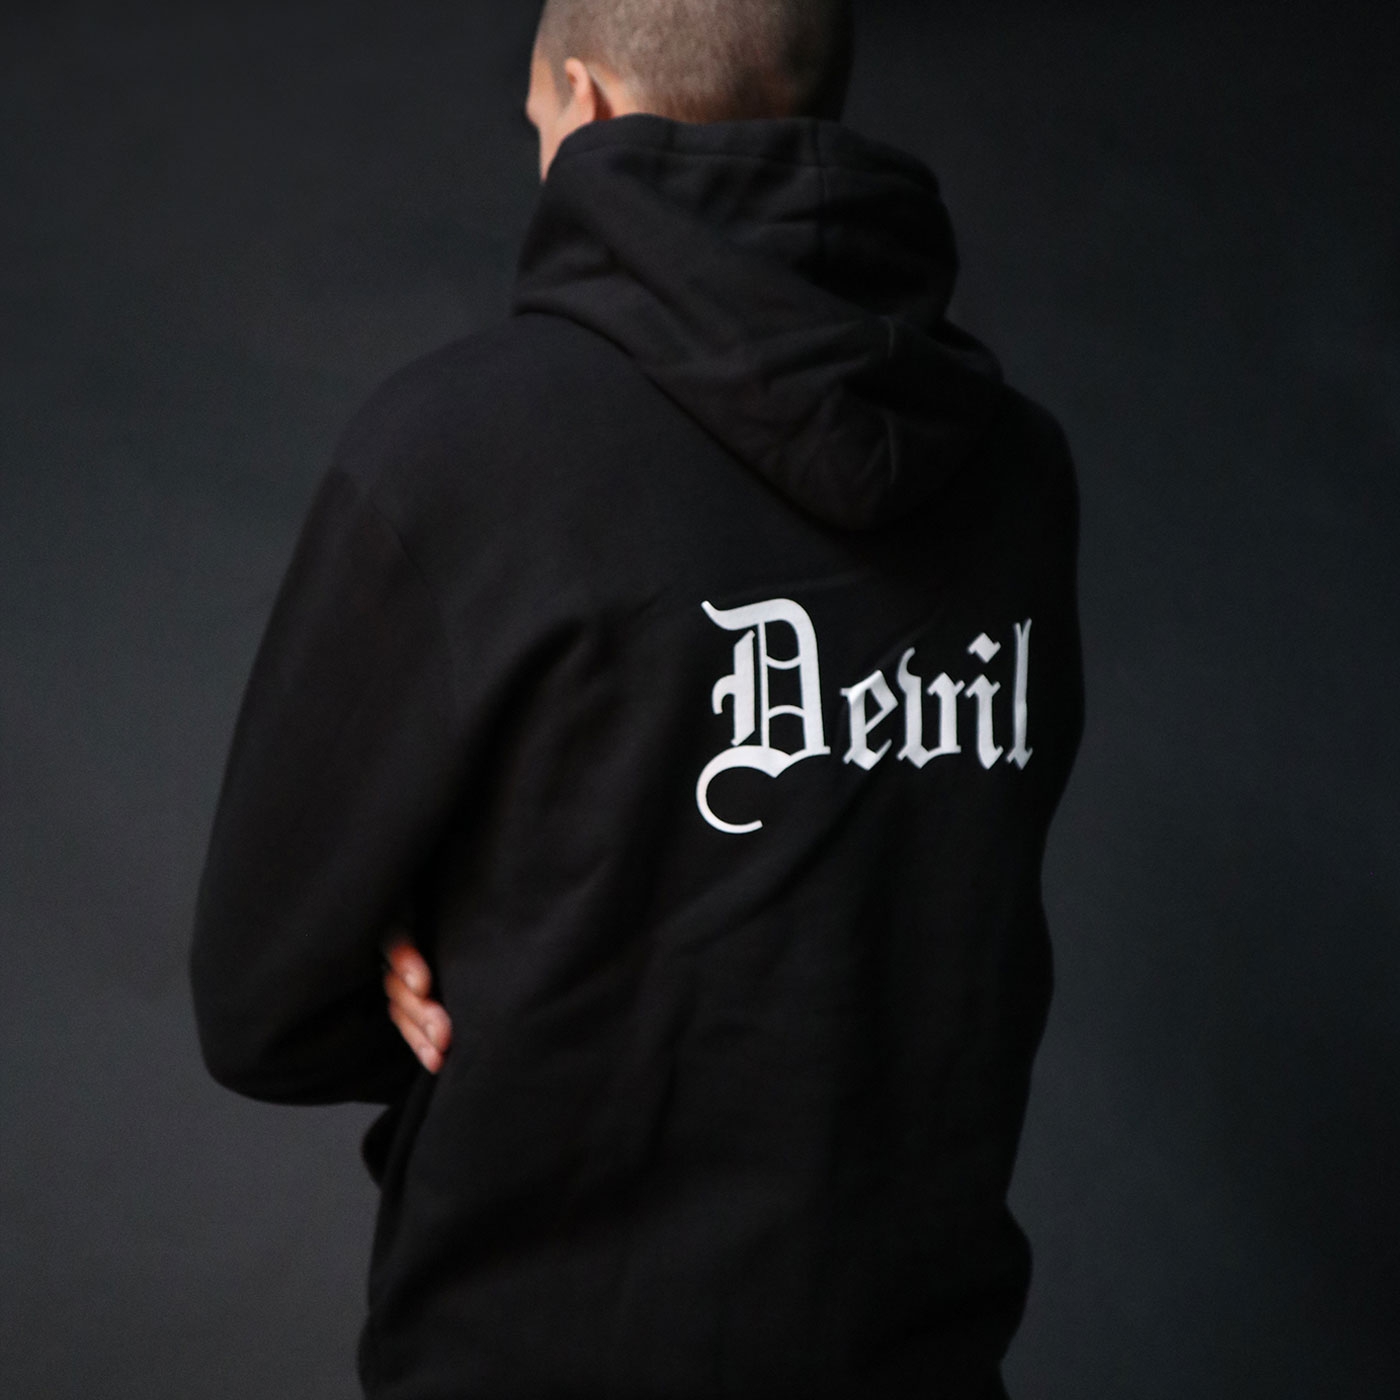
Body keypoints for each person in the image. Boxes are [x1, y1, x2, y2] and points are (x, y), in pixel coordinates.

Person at [189, 0, 1085, 1395]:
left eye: (538, 123)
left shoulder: (459, 449)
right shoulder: (1018, 475)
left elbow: (258, 1005)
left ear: (589, 103)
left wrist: (438, 956)